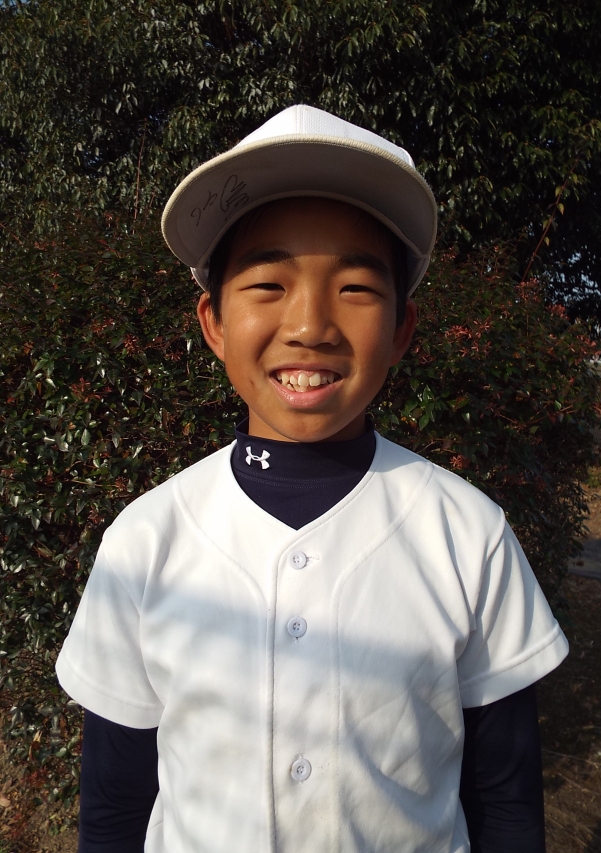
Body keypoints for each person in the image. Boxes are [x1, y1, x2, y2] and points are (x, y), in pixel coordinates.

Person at [56, 105, 568, 853]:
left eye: (356, 288)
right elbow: (115, 801)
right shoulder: (145, 540)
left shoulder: (468, 534)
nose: (310, 326)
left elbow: (506, 798)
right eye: (267, 283)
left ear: (401, 329)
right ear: (213, 322)